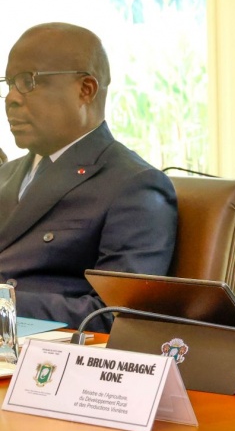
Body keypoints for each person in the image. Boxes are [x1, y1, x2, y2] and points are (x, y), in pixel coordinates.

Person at [0, 23, 178, 330]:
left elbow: (117, 314)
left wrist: (7, 304)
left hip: (43, 348)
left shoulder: (132, 186)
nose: (11, 98)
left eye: (27, 81)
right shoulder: (6, 175)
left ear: (86, 90)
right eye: (9, 84)